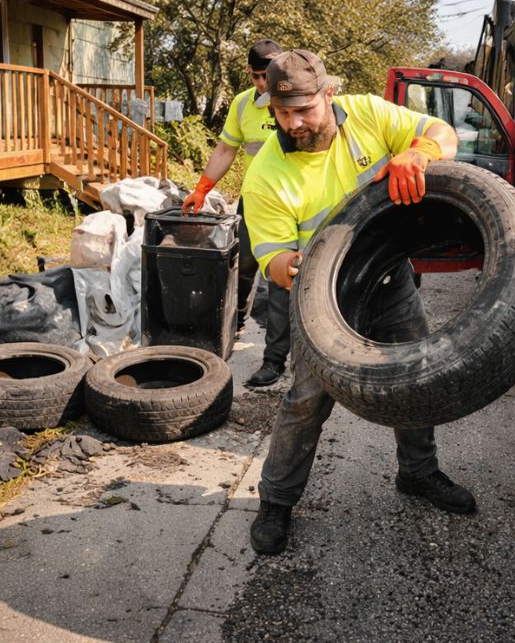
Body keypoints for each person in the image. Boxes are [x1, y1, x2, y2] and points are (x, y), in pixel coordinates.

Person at [241, 49, 474, 556]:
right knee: (305, 401)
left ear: (328, 94)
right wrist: (294, 266)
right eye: (282, 113)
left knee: (416, 379)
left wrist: (418, 153)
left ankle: (419, 472)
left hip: (390, 284)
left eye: (304, 109)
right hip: (320, 297)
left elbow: (444, 134)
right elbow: (272, 259)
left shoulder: (368, 114)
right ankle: (276, 502)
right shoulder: (265, 174)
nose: (294, 123)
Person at [182, 39, 290, 387]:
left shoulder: (294, 103)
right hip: (254, 203)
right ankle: (235, 325)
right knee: (242, 267)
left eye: (268, 75)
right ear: (250, 74)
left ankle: (274, 359)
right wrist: (202, 188)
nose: (263, 83)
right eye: (257, 76)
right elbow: (226, 149)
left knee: (280, 281)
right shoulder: (243, 104)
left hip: (292, 205)